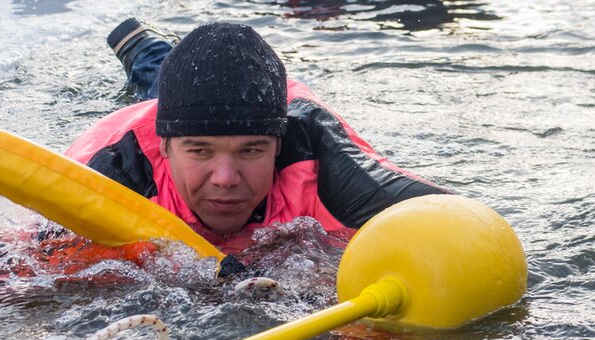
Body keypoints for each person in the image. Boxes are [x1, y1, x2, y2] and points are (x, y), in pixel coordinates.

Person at [64, 19, 448, 254]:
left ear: (278, 147)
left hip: (275, 102)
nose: (226, 178)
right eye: (200, 152)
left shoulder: (321, 155)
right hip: (158, 114)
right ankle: (146, 49)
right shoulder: (115, 169)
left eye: (251, 151)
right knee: (159, 85)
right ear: (164, 148)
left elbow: (457, 223)